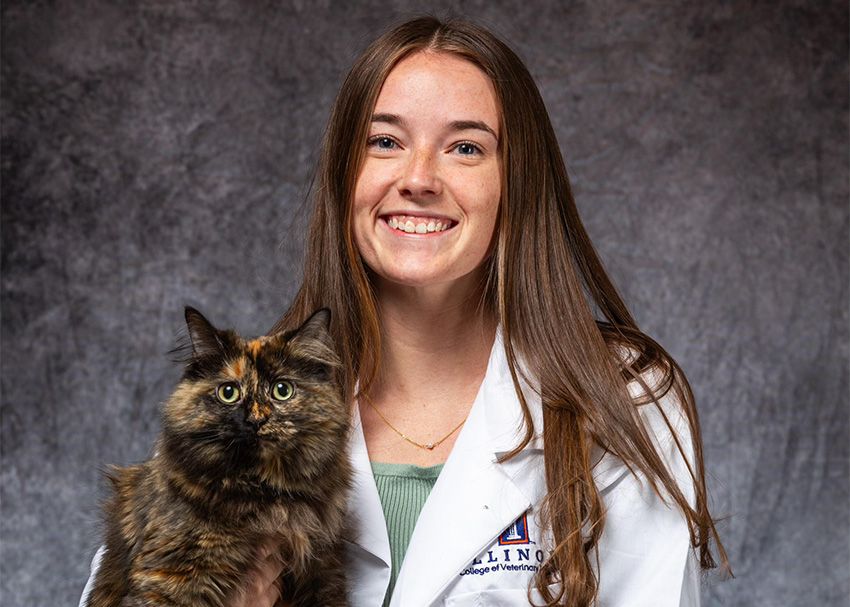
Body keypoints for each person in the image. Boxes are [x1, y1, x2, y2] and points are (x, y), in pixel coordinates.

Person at [81, 15, 727, 607]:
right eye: (385, 141)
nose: (418, 177)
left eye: (465, 148)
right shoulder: (250, 402)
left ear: (517, 182)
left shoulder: (625, 396)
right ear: (346, 174)